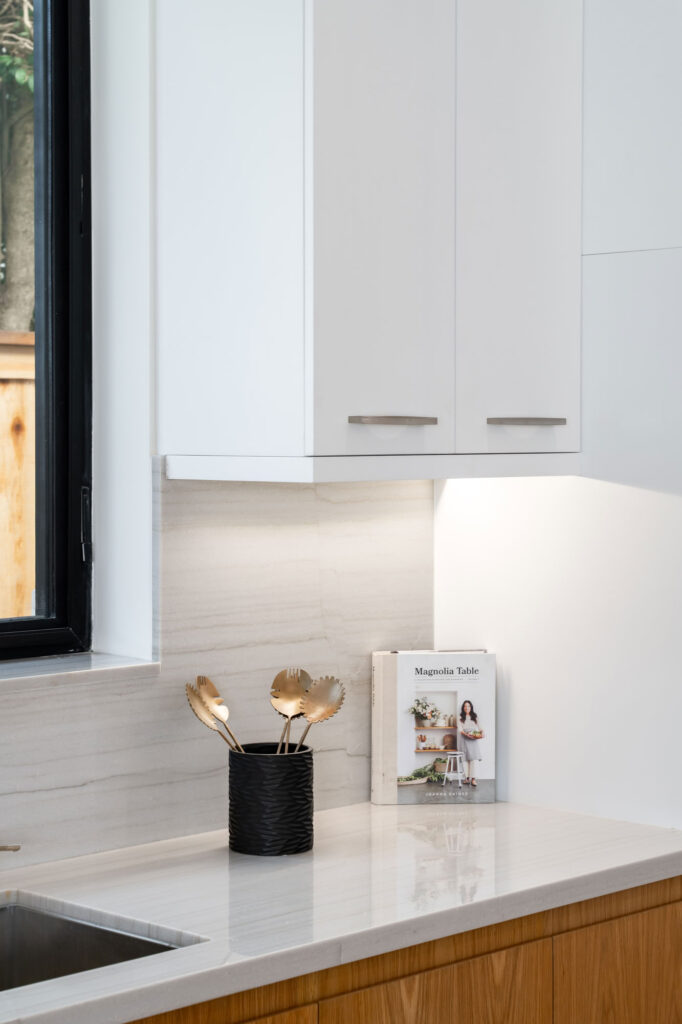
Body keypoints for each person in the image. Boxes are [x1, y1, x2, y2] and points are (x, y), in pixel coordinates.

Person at [458, 700, 484, 787]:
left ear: (471, 707)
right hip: (464, 739)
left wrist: (482, 733)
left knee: (474, 759)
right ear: (463, 708)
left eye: (468, 706)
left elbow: (480, 728)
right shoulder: (460, 717)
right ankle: (467, 778)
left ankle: (473, 779)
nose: (467, 708)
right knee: (465, 759)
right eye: (465, 706)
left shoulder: (474, 716)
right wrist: (467, 734)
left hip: (473, 739)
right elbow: (460, 729)